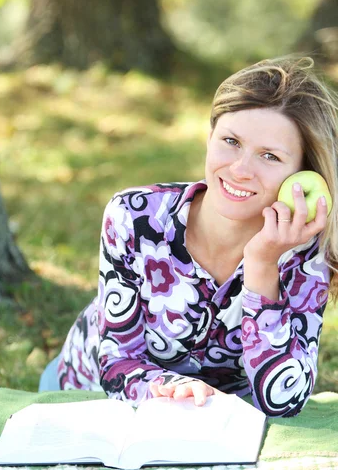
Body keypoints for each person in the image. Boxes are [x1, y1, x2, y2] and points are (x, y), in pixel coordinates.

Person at [39, 56, 338, 417]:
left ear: (302, 174)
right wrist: (176, 390)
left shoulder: (304, 250)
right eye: (231, 141)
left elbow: (285, 401)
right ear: (209, 137)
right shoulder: (133, 217)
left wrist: (262, 265)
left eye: (270, 156)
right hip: (91, 396)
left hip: (211, 420)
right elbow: (117, 360)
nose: (240, 169)